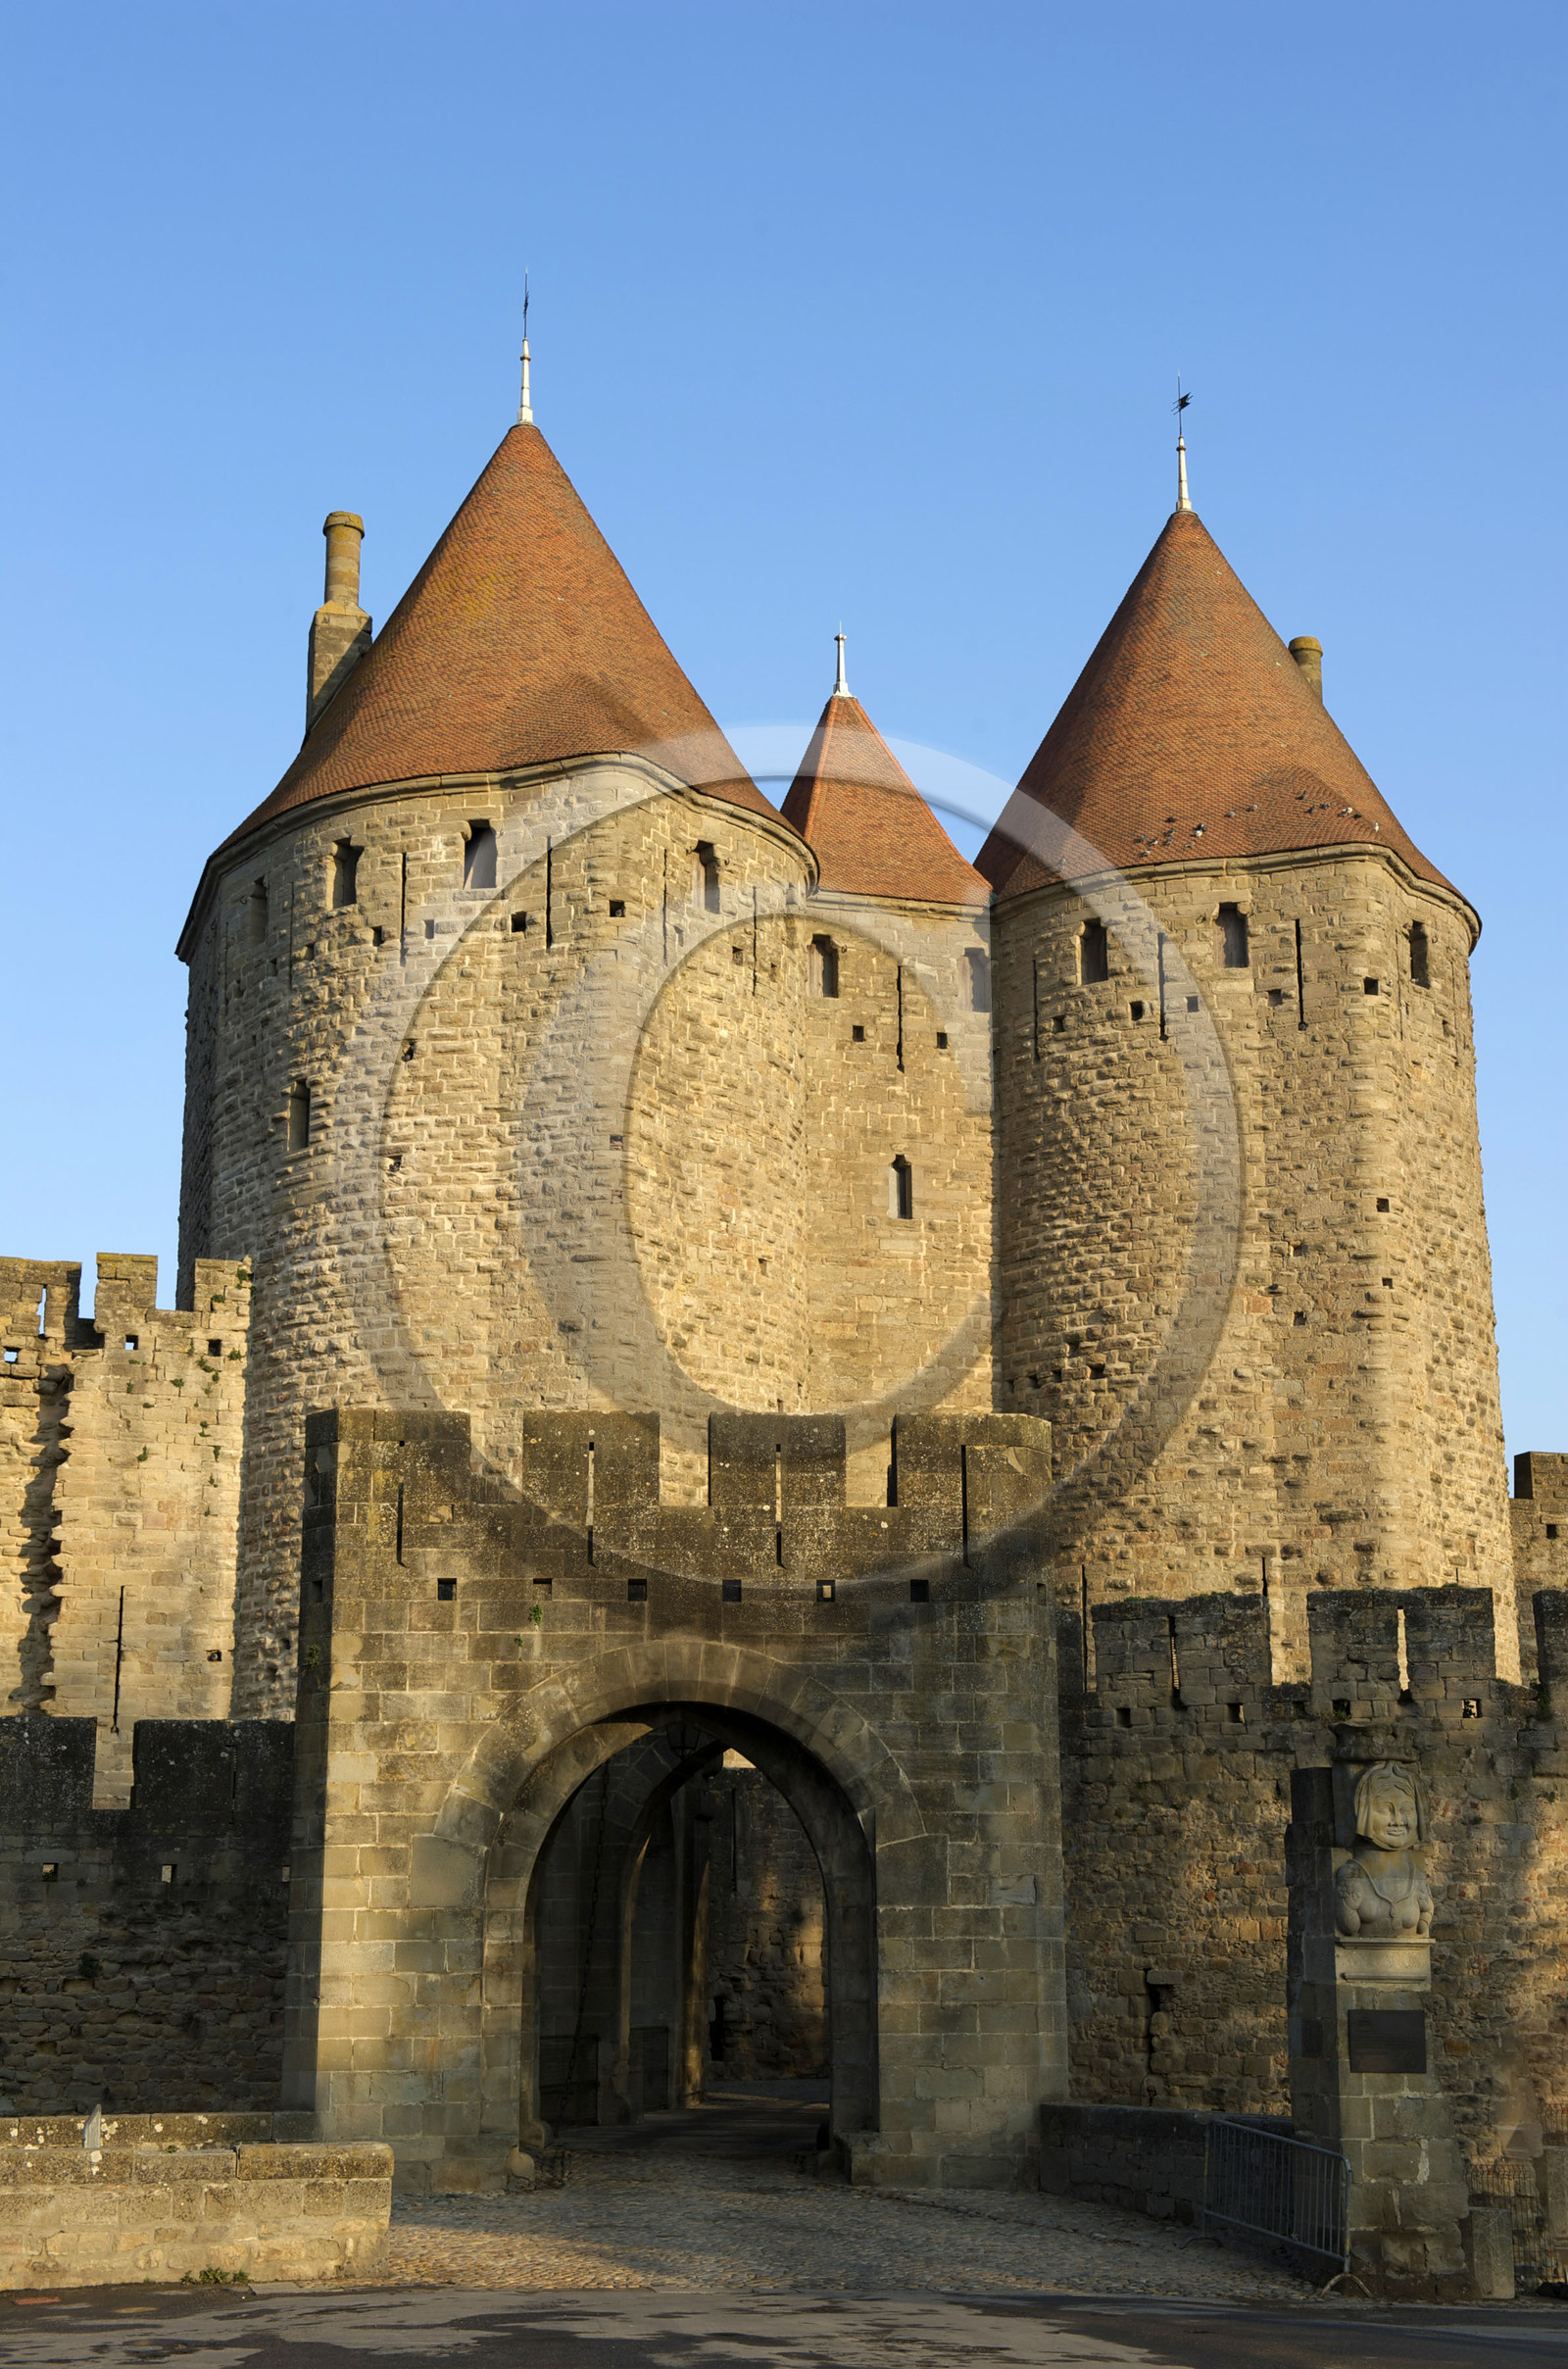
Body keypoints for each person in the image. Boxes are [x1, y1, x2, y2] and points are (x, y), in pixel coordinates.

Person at [1334, 1761, 1433, 1939]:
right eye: (1386, 1810)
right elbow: (1350, 1927)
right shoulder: (1352, 1874)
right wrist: (1348, 1908)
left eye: (1406, 1810)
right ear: (1366, 1814)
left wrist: (1425, 1918)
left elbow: (1426, 1915)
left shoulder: (1416, 1876)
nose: (1397, 1821)